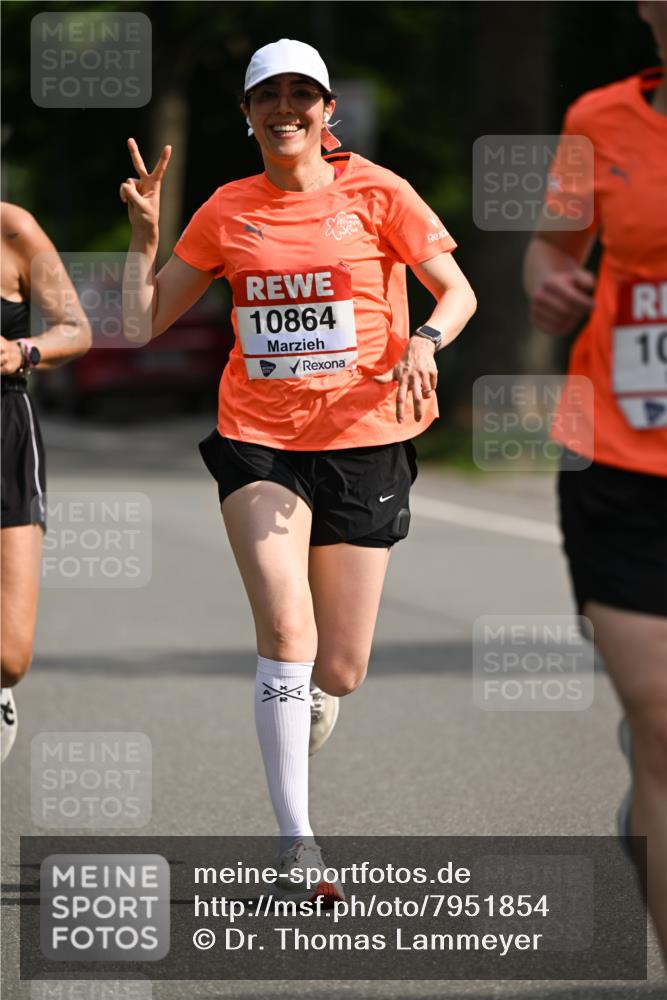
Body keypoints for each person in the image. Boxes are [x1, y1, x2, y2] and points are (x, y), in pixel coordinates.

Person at [120, 38, 476, 900]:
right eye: (267, 97)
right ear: (246, 115)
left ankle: (314, 697)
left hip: (364, 436)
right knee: (286, 631)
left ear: (327, 110)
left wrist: (425, 340)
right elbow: (142, 324)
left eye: (301, 95)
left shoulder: (378, 191)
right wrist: (143, 238)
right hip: (259, 437)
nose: (286, 109)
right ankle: (297, 842)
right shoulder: (225, 209)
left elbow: (456, 290)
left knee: (338, 666)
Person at [523, 0, 667, 956]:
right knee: (665, 731)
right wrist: (544, 278)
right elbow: (551, 249)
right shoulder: (596, 121)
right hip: (620, 459)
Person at [1, 202, 91, 762]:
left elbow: (75, 331)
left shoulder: (13, 228)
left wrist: (21, 351)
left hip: (4, 436)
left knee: (10, 656)